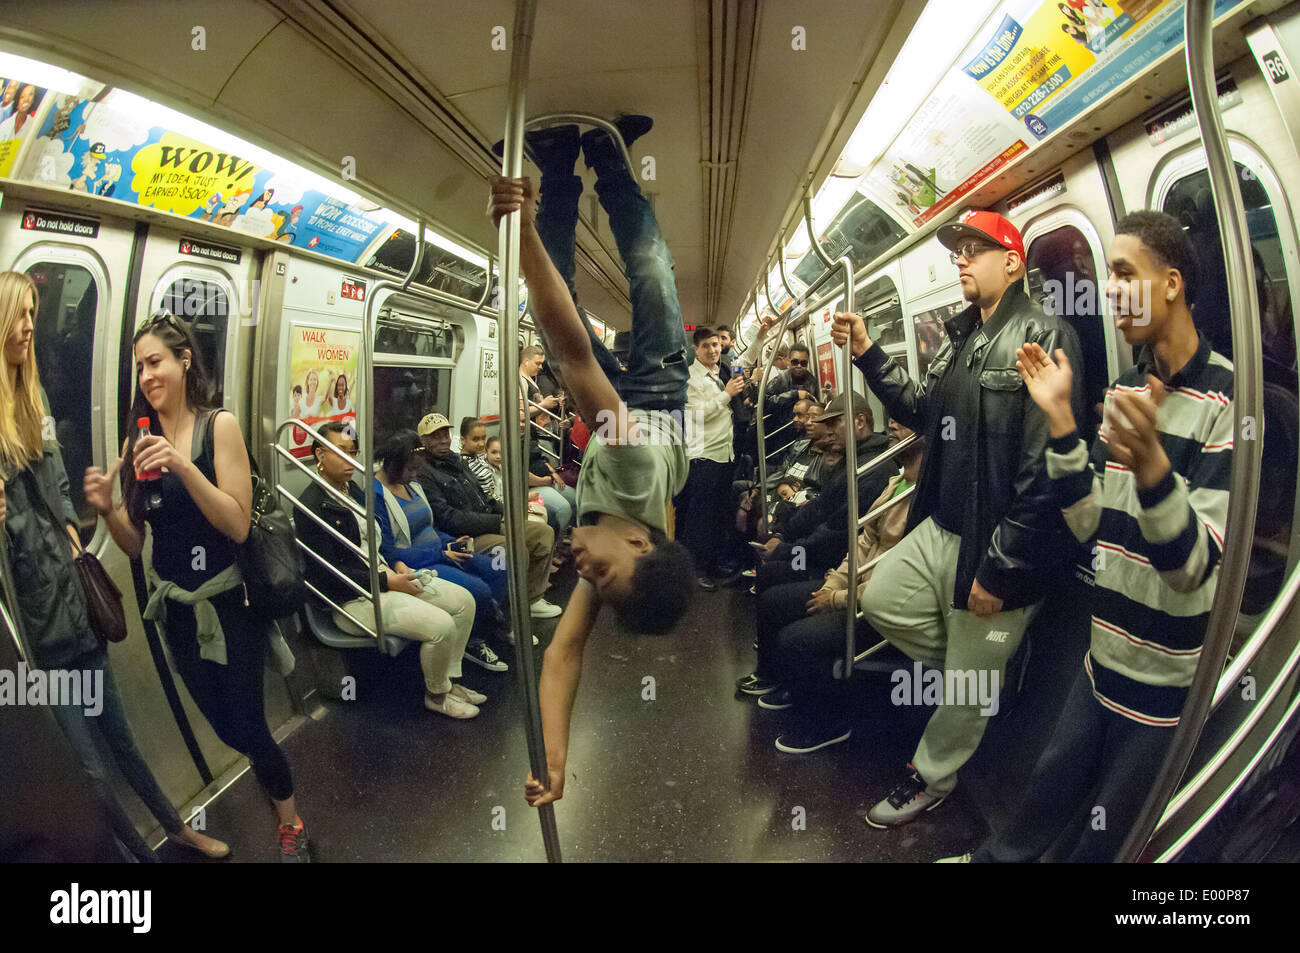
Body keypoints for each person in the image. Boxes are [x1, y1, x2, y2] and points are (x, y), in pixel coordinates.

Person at [945, 210, 1233, 863]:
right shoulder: (1128, 387)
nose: (1109, 289)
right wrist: (1060, 422)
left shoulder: (1228, 403)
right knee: (1040, 802)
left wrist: (1153, 468)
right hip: (1101, 657)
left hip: (1164, 684)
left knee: (1106, 842)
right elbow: (1088, 526)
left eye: (1124, 274)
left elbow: (1193, 567)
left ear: (1171, 284)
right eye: (1107, 274)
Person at [831, 209, 1085, 828]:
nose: (961, 259)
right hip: (943, 524)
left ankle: (931, 776)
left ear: (1014, 262)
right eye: (958, 250)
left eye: (976, 249)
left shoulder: (1043, 334)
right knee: (881, 599)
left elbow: (1043, 468)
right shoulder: (959, 336)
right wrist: (866, 351)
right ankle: (984, 677)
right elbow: (921, 408)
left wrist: (1001, 569)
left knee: (969, 680)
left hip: (995, 540)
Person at [489, 117, 695, 807]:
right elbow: (574, 353)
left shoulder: (613, 558)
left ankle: (555, 169)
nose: (585, 572)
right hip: (657, 393)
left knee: (565, 304)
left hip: (625, 421)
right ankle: (610, 161)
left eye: (595, 582)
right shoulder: (634, 474)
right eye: (602, 572)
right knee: (651, 275)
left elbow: (564, 653)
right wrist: (518, 235)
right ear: (639, 542)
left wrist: (554, 762)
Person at [1, 273, 229, 863]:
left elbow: (57, 490)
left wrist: (77, 532)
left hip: (75, 603)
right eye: (21, 314)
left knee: (121, 741)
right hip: (34, 624)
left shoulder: (32, 399)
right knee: (89, 769)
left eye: (33, 314)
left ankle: (176, 829)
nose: (29, 327)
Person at [84, 309, 309, 860]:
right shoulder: (141, 442)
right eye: (139, 367)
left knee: (250, 725)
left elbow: (236, 523)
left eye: (155, 362)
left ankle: (291, 822)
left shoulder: (218, 427)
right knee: (224, 727)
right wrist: (108, 510)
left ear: (184, 361)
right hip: (178, 613)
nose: (146, 377)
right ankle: (265, 769)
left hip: (229, 606)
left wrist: (184, 468)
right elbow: (134, 544)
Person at [739, 422, 922, 755]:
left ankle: (828, 724)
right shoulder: (896, 482)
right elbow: (861, 542)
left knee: (796, 637)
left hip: (880, 604)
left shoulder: (922, 497)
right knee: (775, 600)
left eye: (904, 420)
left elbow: (903, 578)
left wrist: (837, 598)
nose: (893, 423)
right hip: (853, 585)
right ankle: (791, 685)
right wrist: (834, 582)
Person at [296, 421, 484, 718]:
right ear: (320, 454)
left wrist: (395, 564)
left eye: (353, 452)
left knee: (464, 603)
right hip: (353, 599)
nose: (349, 459)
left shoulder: (352, 490)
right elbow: (329, 575)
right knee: (442, 626)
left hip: (383, 575)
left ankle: (448, 683)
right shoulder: (312, 506)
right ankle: (437, 695)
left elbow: (375, 539)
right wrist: (387, 581)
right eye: (341, 451)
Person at [371, 429, 511, 673]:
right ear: (393, 465)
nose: (414, 476)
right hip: (416, 561)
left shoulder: (412, 485)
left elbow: (429, 526)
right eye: (410, 470)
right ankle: (472, 641)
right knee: (479, 589)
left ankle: (479, 630)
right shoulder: (375, 495)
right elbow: (390, 552)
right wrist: (442, 554)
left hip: (441, 549)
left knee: (499, 570)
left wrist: (452, 543)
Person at [414, 411, 561, 622]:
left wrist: (507, 512)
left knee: (543, 534)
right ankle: (508, 617)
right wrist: (493, 521)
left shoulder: (456, 461)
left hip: (486, 520)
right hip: (465, 534)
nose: (443, 440)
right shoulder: (424, 472)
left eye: (445, 434)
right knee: (514, 551)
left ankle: (531, 599)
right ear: (424, 441)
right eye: (435, 437)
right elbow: (446, 517)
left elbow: (483, 496)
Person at [678, 326, 743, 590]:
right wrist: (726, 395)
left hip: (724, 453)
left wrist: (761, 336)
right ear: (696, 350)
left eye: (716, 344)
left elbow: (744, 360)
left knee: (717, 513)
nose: (713, 350)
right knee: (699, 517)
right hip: (703, 455)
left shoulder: (720, 371)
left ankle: (712, 562)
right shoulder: (690, 378)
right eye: (706, 346)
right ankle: (694, 570)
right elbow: (697, 415)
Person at [459, 416, 498, 500]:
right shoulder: (464, 467)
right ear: (463, 440)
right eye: (475, 439)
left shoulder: (479, 457)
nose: (481, 444)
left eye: (483, 438)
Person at [520, 345, 561, 414]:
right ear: (526, 362)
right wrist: (543, 405)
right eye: (538, 363)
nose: (541, 367)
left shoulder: (530, 378)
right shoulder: (521, 381)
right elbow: (520, 413)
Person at [484, 434, 504, 503]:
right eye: (494, 452)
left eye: (501, 453)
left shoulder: (502, 466)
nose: (498, 456)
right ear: (486, 451)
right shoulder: (485, 471)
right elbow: (494, 500)